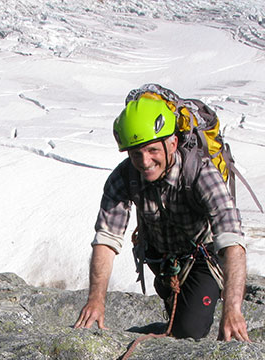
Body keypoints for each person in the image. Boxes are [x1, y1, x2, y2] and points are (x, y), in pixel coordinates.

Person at [74, 95, 251, 341]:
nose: (145, 162)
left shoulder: (201, 173)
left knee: (189, 332)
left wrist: (232, 311)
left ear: (173, 143)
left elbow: (231, 240)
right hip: (162, 260)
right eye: (136, 154)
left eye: (152, 150)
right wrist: (95, 300)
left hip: (201, 258)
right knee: (179, 326)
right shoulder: (124, 177)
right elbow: (107, 239)